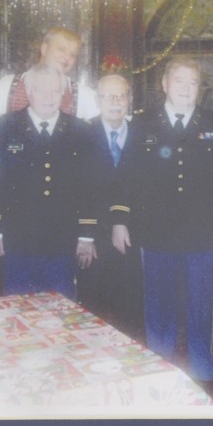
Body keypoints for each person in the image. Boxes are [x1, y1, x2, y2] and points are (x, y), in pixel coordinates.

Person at [110, 56, 213, 383]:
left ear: (199, 89)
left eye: (192, 83)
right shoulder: (142, 124)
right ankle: (158, 363)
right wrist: (121, 220)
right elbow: (127, 176)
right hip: (156, 233)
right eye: (178, 81)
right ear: (165, 85)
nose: (185, 89)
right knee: (159, 305)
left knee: (201, 305)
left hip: (202, 234)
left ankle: (201, 362)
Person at [0, 64, 98, 299]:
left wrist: (86, 234)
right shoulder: (5, 127)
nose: (49, 98)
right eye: (41, 91)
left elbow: (89, 186)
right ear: (28, 92)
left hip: (62, 239)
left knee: (62, 308)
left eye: (55, 91)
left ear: (64, 94)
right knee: (18, 308)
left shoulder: (80, 130)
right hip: (18, 238)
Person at [76, 72, 145, 337]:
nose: (116, 101)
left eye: (122, 95)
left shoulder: (142, 132)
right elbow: (77, 190)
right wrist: (85, 236)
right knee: (91, 312)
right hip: (94, 238)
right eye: (109, 96)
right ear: (98, 99)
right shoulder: (81, 133)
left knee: (131, 310)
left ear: (129, 99)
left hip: (132, 235)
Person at [0, 26, 98, 135]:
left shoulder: (83, 95)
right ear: (44, 48)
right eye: (61, 49)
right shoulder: (7, 86)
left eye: (73, 55)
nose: (67, 58)